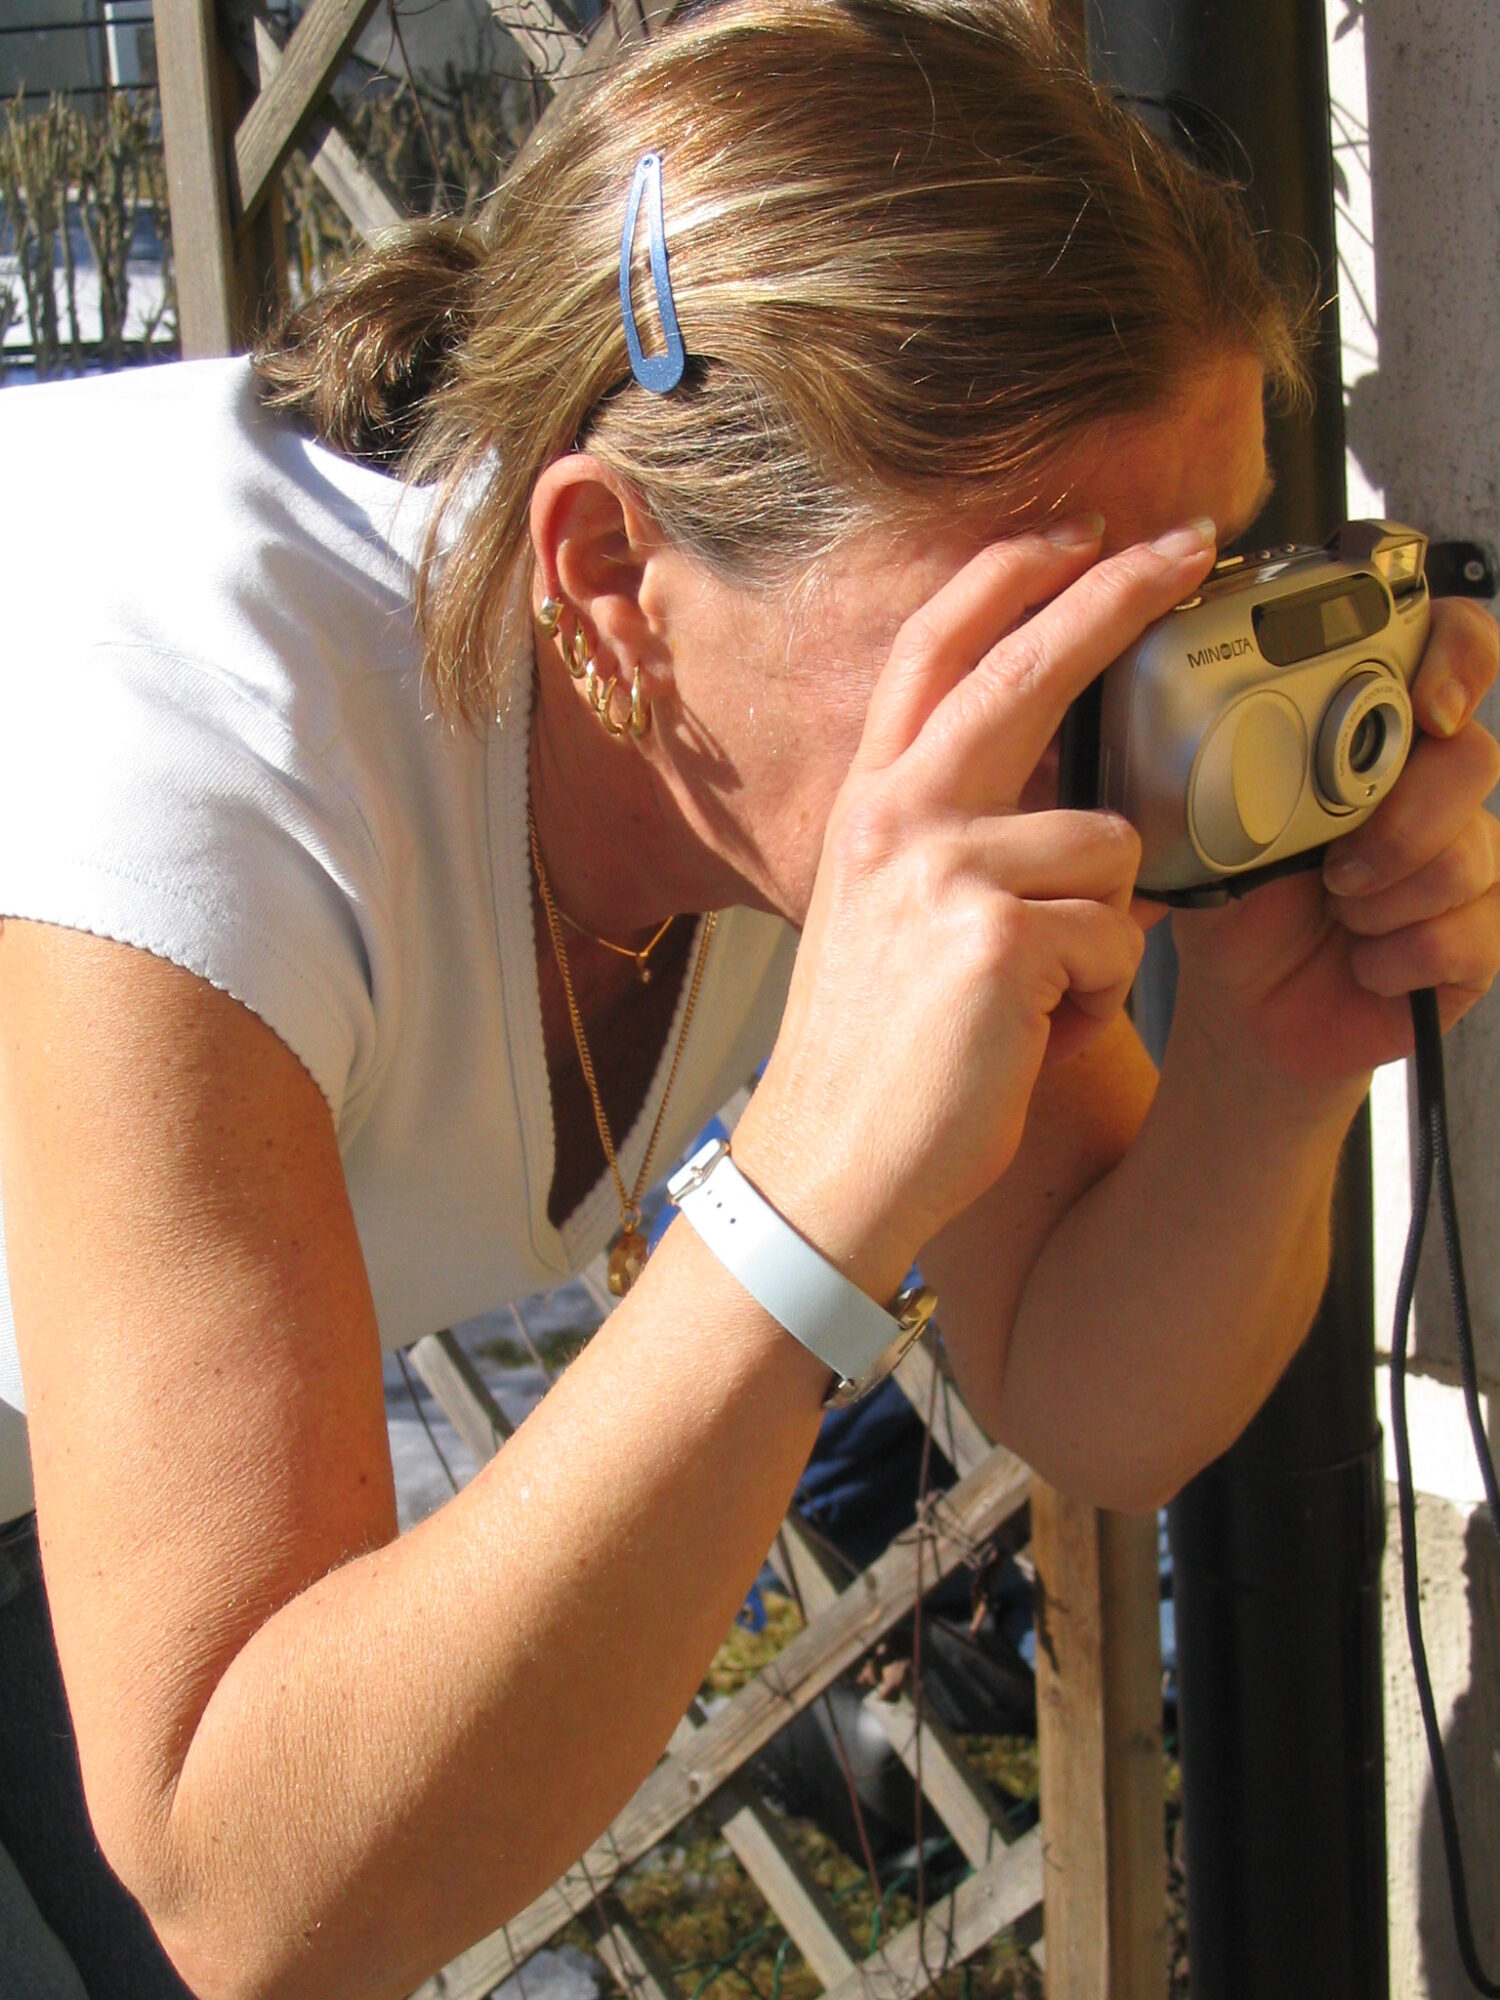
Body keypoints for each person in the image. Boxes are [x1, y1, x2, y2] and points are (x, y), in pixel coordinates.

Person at [0, 1, 1496, 1995]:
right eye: (1040, 640)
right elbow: (250, 1890)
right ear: (615, 577)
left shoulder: (808, 721)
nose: (1139, 739)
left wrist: (1273, 1065)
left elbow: (1086, 1379)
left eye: (1188, 607)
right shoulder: (192, 766)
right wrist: (793, 1199)